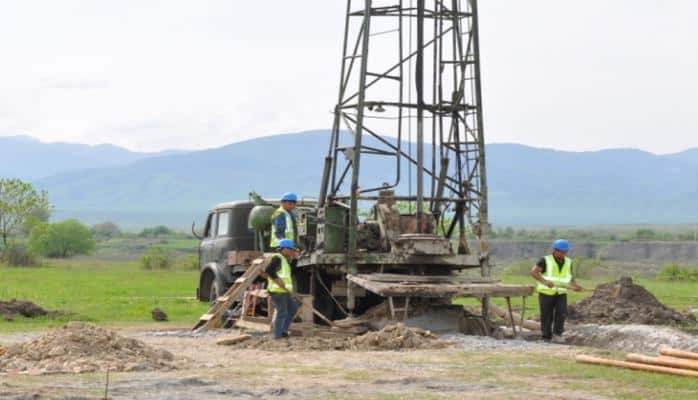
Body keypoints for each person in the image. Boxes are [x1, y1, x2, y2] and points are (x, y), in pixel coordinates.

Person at [530, 239, 584, 343]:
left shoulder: (568, 262)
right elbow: (534, 272)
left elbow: (570, 276)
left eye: (566, 252)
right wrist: (545, 282)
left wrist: (575, 286)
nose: (565, 254)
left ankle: (557, 335)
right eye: (563, 251)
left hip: (561, 292)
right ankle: (546, 337)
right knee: (546, 315)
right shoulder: (545, 260)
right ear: (555, 250)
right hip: (546, 292)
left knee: (561, 313)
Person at [265, 238, 299, 339]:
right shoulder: (277, 258)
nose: (292, 252)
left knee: (293, 308)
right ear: (285, 249)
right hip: (278, 291)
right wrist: (278, 281)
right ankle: (278, 335)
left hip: (284, 291)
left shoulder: (284, 260)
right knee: (282, 312)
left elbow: (291, 271)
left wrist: (295, 259)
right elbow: (269, 270)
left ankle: (283, 331)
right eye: (291, 250)